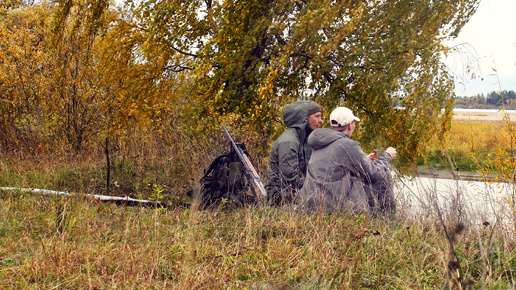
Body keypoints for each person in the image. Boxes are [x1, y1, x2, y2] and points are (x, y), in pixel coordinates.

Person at [299, 106, 397, 215]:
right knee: (384, 176)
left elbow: (335, 168)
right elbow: (374, 174)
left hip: (310, 202)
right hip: (331, 206)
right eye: (354, 123)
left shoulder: (320, 141)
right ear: (350, 125)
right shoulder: (348, 145)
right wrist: (387, 156)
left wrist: (364, 160)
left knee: (361, 175)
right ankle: (388, 219)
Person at [265, 100, 323, 206]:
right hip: (280, 202)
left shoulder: (305, 140)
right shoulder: (289, 142)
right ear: (305, 118)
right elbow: (290, 180)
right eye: (317, 116)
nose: (321, 120)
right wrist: (313, 193)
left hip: (296, 197)